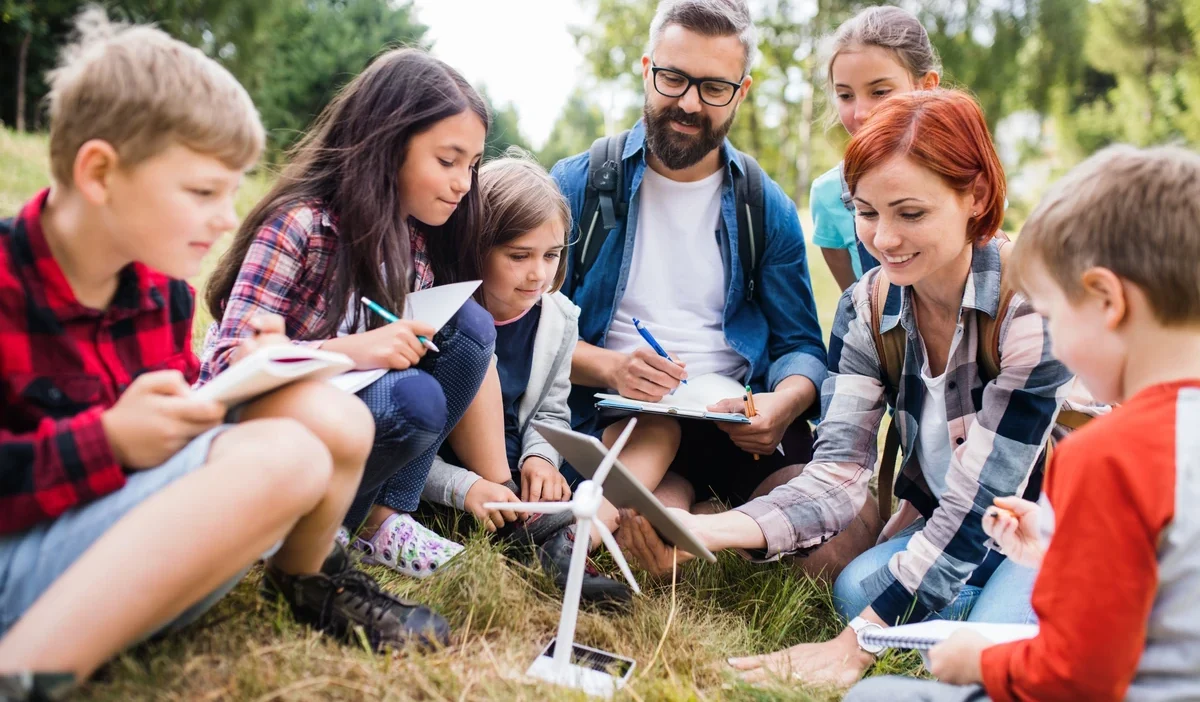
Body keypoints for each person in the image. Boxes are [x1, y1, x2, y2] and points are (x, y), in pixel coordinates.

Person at [0, 15, 444, 700]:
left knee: (332, 421)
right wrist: (107, 441)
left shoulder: (161, 296)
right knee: (288, 457)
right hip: (23, 566)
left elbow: (175, 442)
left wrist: (253, 378)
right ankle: (24, 675)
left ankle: (310, 582)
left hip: (121, 554)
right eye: (203, 192)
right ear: (100, 173)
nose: (225, 218)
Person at [617, 89, 1104, 689]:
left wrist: (858, 644)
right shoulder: (865, 309)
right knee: (855, 590)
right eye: (867, 212)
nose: (884, 239)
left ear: (976, 196)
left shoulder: (1031, 308)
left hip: (1050, 526)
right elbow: (838, 473)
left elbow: (981, 501)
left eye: (911, 213)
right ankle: (972, 607)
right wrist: (709, 531)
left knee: (983, 651)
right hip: (947, 523)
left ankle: (1036, 608)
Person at [847, 144, 1200, 701]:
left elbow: (1078, 674)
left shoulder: (1107, 457)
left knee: (877, 696)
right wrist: (1062, 547)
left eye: (1054, 316)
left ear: (1106, 301)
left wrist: (981, 662)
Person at [551, 0, 836, 559]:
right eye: (674, 78)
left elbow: (802, 346)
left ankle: (686, 519)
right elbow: (526, 325)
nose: (688, 103)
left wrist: (782, 405)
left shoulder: (765, 206)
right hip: (617, 420)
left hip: (733, 429)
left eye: (713, 88)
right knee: (649, 484)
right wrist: (610, 367)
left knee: (833, 537)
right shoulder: (579, 184)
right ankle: (677, 518)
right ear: (646, 69)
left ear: (741, 92)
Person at [201, 48, 497, 578]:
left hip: (350, 422)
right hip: (270, 432)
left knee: (471, 328)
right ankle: (303, 527)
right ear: (389, 143)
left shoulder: (414, 243)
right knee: (415, 400)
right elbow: (224, 367)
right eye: (447, 161)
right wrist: (350, 352)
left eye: (472, 166)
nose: (464, 184)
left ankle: (378, 519)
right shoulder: (300, 224)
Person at [420, 150, 630, 602]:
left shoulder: (558, 319)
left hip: (520, 471)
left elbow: (551, 409)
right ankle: (536, 538)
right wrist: (465, 487)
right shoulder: (447, 318)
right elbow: (413, 438)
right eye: (519, 256)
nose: (538, 274)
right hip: (457, 477)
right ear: (476, 247)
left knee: (609, 506)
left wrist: (541, 459)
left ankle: (561, 550)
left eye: (552, 255)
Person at [810, 5, 939, 291]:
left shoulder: (961, 173)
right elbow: (855, 305)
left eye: (879, 92)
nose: (861, 113)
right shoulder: (829, 195)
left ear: (926, 87)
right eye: (846, 95)